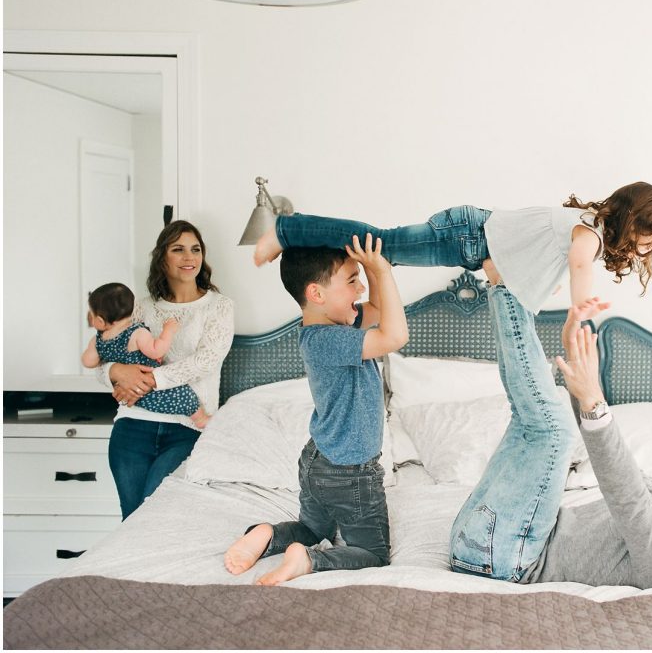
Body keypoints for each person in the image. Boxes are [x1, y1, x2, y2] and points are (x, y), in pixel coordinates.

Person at [448, 290, 652, 588]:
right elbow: (619, 461)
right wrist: (574, 357)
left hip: (504, 556)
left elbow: (625, 493)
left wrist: (594, 399)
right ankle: (504, 287)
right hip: (492, 536)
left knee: (551, 431)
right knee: (536, 419)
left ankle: (507, 287)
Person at [223, 234, 408, 586]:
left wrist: (369, 272)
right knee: (373, 554)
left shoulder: (325, 330)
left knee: (311, 527)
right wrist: (383, 273)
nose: (359, 291)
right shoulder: (332, 341)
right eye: (352, 282)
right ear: (317, 294)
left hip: (317, 462)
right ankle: (309, 561)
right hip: (351, 472)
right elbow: (394, 336)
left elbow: (380, 312)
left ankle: (267, 535)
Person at [252, 182, 652, 322]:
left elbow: (544, 255)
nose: (645, 249)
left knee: (382, 248)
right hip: (467, 236)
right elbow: (578, 261)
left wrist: (540, 286)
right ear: (632, 222)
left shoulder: (586, 224)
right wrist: (579, 304)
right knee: (378, 244)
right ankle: (287, 229)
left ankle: (291, 232)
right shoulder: (590, 235)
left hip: (471, 239)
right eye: (647, 239)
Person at [97, 221, 234, 519]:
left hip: (187, 427)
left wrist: (150, 380)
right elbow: (103, 356)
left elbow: (206, 360)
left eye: (195, 250)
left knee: (154, 512)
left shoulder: (219, 307)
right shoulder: (140, 308)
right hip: (133, 425)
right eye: (178, 249)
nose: (189, 257)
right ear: (162, 258)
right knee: (131, 518)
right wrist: (116, 372)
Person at [82, 282, 210, 428]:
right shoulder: (137, 332)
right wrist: (168, 331)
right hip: (153, 389)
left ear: (99, 320)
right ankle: (200, 419)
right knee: (184, 394)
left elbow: (88, 362)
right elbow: (157, 350)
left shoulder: (98, 340)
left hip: (130, 394)